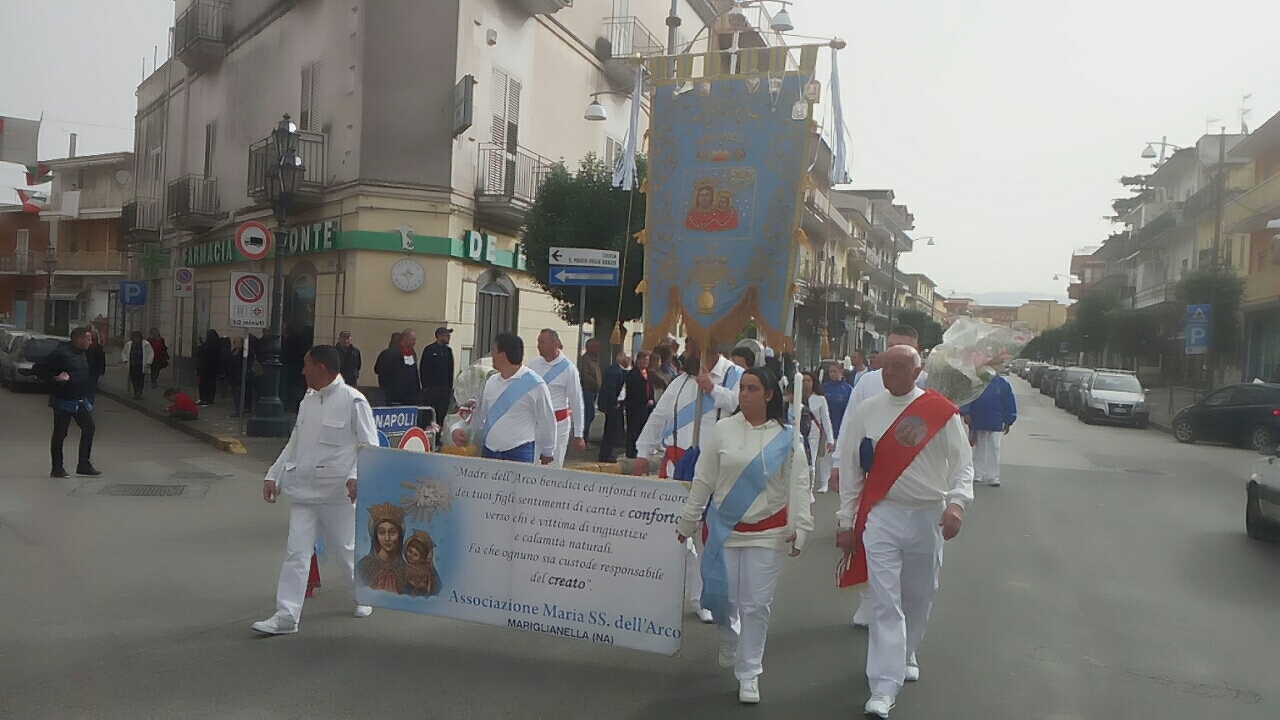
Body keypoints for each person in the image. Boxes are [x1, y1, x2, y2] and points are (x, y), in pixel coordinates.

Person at [834, 345, 973, 718]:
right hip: (882, 515)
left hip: (927, 515)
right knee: (885, 600)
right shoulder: (866, 411)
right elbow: (851, 472)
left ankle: (906, 650)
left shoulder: (940, 412)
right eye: (884, 365)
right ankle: (883, 686)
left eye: (898, 366)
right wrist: (846, 521)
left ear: (917, 372)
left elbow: (963, 465)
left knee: (919, 595)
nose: (888, 372)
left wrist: (957, 503)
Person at [676, 367, 811, 705]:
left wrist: (802, 528)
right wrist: (688, 520)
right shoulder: (722, 430)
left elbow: (799, 486)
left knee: (756, 605)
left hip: (767, 533)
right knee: (722, 598)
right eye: (742, 388)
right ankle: (728, 634)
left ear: (768, 395)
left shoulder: (788, 437)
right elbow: (703, 480)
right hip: (724, 529)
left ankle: (749, 672)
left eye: (753, 389)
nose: (745, 394)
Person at [253, 344, 379, 635]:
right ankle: (286, 616)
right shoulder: (307, 400)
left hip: (336, 494)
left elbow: (369, 445)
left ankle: (362, 594)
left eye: (305, 364)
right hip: (303, 492)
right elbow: (295, 443)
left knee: (345, 550)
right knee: (296, 552)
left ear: (320, 368)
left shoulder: (353, 401)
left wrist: (355, 475)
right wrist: (274, 475)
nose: (302, 370)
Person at [635, 345, 743, 623]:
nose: (689, 350)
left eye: (696, 344)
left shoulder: (735, 375)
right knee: (671, 532)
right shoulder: (679, 382)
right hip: (675, 464)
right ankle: (663, 592)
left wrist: (713, 390)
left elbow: (743, 405)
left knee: (706, 536)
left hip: (713, 467)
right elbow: (659, 417)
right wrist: (642, 452)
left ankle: (701, 597)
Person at [832, 326, 927, 628]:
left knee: (908, 564)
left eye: (901, 349)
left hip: (912, 483)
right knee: (865, 538)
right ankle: (868, 599)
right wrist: (838, 463)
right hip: (871, 475)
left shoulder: (928, 385)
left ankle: (899, 620)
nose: (892, 358)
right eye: (889, 348)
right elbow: (850, 423)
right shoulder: (869, 382)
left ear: (916, 353)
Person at [449, 332, 557, 464]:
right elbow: (480, 415)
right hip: (489, 453)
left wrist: (548, 451)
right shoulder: (491, 382)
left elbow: (547, 420)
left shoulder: (535, 385)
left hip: (519, 454)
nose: (492, 354)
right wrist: (457, 428)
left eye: (494, 350)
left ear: (502, 355)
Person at [36, 327, 100, 478]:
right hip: (63, 400)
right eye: (88, 339)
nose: (91, 342)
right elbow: (38, 368)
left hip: (79, 400)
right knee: (60, 433)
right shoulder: (61, 354)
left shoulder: (83, 353)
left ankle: (83, 464)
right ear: (79, 340)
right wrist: (55, 379)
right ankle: (57, 468)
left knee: (89, 428)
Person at [526, 329, 586, 467]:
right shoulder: (532, 365)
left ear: (554, 345)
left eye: (543, 342)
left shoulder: (569, 369)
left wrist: (578, 434)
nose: (538, 346)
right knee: (530, 468)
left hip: (558, 426)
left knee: (552, 469)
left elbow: (576, 403)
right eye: (538, 342)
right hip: (534, 425)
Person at [959, 373, 1016, 487]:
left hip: (995, 420)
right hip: (977, 419)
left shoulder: (1002, 384)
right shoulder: (975, 382)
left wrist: (1009, 420)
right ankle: (977, 473)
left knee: (994, 447)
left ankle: (993, 476)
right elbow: (968, 398)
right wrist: (966, 412)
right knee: (979, 447)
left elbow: (1009, 402)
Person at [802, 371, 835, 494]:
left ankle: (816, 486)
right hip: (799, 433)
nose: (806, 383)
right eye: (803, 381)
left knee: (813, 460)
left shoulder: (820, 399)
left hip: (814, 433)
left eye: (808, 381)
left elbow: (826, 420)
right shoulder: (796, 398)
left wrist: (830, 439)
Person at [597, 351, 631, 463]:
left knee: (613, 430)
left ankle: (608, 453)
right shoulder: (614, 371)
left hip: (617, 404)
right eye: (628, 359)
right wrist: (614, 403)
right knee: (610, 430)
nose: (629, 361)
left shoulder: (619, 370)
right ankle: (605, 454)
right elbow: (610, 388)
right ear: (623, 360)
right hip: (613, 405)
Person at [419, 326, 454, 427]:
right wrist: (425, 386)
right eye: (446, 335)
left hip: (444, 390)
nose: (448, 338)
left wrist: (449, 388)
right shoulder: (429, 350)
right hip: (432, 389)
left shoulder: (448, 351)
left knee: (441, 414)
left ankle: (439, 436)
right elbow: (423, 368)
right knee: (430, 414)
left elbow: (450, 370)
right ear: (439, 336)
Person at [624, 350, 656, 458]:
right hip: (635, 406)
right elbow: (634, 390)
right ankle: (631, 450)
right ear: (639, 360)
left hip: (646, 406)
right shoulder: (633, 374)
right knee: (633, 429)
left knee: (642, 428)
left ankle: (640, 449)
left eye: (648, 360)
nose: (646, 362)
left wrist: (651, 398)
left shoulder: (648, 373)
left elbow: (650, 388)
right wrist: (645, 400)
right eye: (644, 359)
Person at [823, 363, 854, 464]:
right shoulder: (824, 388)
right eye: (830, 372)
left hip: (841, 428)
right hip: (826, 430)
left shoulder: (848, 389)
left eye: (835, 371)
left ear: (841, 372)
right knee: (825, 460)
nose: (832, 374)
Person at [382, 329, 421, 406]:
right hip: (396, 392)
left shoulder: (412, 353)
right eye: (412, 339)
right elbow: (384, 372)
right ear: (405, 339)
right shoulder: (391, 353)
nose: (415, 342)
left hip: (411, 393)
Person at [578, 337, 602, 443]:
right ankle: (583, 438)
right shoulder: (585, 360)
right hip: (587, 391)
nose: (598, 349)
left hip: (593, 391)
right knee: (588, 414)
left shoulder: (594, 360)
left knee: (590, 415)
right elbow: (585, 375)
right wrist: (595, 383)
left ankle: (585, 437)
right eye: (596, 347)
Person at [224, 335, 255, 418]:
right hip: (233, 377)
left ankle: (244, 409)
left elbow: (248, 363)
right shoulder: (232, 353)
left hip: (242, 376)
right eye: (235, 342)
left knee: (243, 394)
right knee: (235, 394)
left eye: (239, 342)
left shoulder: (246, 353)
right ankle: (238, 409)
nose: (237, 344)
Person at [119, 330, 154, 400]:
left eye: (137, 338)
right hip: (132, 365)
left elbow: (151, 353)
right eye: (134, 338)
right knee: (133, 379)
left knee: (141, 379)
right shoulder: (129, 344)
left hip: (141, 365)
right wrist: (125, 360)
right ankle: (136, 391)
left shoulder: (146, 344)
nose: (136, 340)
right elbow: (124, 353)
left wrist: (148, 362)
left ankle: (139, 392)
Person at [374, 332, 403, 402]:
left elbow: (376, 369)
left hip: (385, 386)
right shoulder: (403, 354)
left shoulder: (384, 353)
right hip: (400, 387)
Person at [196, 329, 221, 405]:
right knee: (211, 384)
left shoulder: (206, 345)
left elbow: (197, 353)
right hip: (214, 367)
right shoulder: (218, 344)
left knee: (203, 384)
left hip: (204, 367)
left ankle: (204, 399)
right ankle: (210, 399)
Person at [85, 329, 106, 403]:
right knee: (92, 388)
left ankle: (86, 402)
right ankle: (89, 403)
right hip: (95, 371)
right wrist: (102, 370)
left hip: (87, 370)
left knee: (86, 388)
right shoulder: (99, 347)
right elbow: (102, 359)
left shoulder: (86, 347)